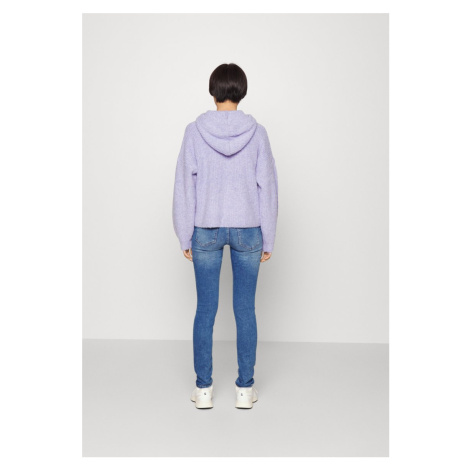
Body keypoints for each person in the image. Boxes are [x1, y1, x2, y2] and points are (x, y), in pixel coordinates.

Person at [172, 63, 278, 409]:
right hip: (248, 229)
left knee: (205, 309)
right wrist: (269, 236)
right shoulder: (257, 133)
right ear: (241, 91)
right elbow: (267, 187)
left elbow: (184, 186)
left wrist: (184, 234)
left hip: (206, 228)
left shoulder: (194, 132)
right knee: (245, 309)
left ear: (213, 91)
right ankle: (245, 390)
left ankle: (203, 389)